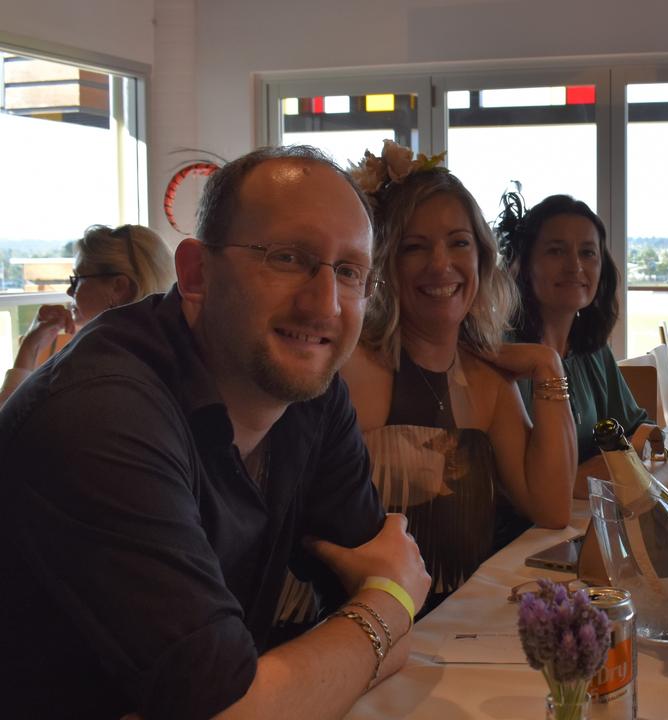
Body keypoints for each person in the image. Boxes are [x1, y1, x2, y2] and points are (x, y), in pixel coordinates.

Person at [0, 146, 432, 718]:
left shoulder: (309, 393)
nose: (324, 304)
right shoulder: (102, 413)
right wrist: (388, 606)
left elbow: (377, 622)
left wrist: (365, 623)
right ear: (197, 273)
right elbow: (232, 708)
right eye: (287, 257)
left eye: (349, 272)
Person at [342, 141, 574, 612]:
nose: (441, 264)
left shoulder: (487, 382)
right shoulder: (355, 371)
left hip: (455, 635)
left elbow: (551, 508)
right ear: (384, 261)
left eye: (458, 243)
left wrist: (548, 366)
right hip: (363, 631)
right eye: (414, 247)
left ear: (481, 256)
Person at [495, 192, 662, 496]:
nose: (575, 266)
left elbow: (639, 429)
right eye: (556, 251)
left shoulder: (592, 349)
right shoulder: (503, 356)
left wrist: (630, 454)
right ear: (524, 262)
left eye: (587, 253)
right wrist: (581, 477)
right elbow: (503, 483)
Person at [0, 223, 175, 406]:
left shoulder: (90, 367)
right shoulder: (157, 355)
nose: (69, 291)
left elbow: (10, 425)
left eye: (77, 279)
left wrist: (29, 347)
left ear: (118, 287)